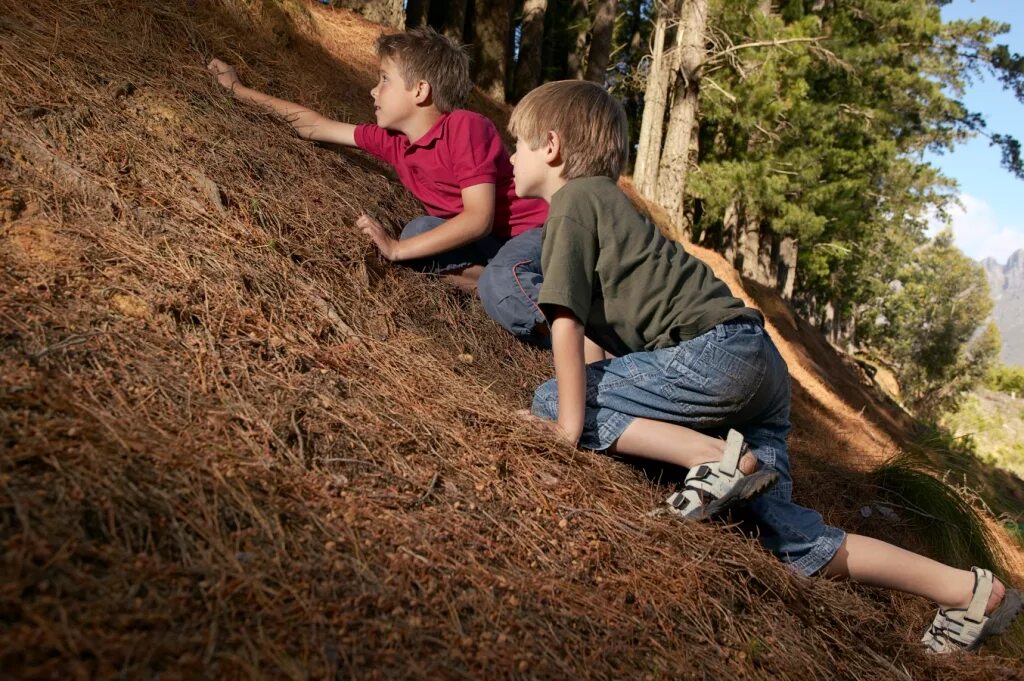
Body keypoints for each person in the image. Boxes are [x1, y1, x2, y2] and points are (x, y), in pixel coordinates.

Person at [508, 78, 1022, 653]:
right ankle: (968, 590)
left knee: (554, 397)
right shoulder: (609, 208)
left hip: (714, 355)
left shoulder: (575, 202)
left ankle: (713, 458)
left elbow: (566, 322)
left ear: (550, 146)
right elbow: (599, 352)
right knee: (792, 541)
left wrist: (565, 429)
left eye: (517, 145)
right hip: (754, 368)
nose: (510, 157)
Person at [207, 27, 550, 346]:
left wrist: (396, 249)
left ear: (420, 90)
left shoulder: (464, 127)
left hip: (539, 234)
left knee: (494, 276)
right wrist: (237, 90)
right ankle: (499, 290)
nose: (374, 89)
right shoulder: (394, 141)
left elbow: (478, 219)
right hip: (492, 245)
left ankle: (576, 335)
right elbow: (315, 125)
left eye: (385, 79)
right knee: (419, 233)